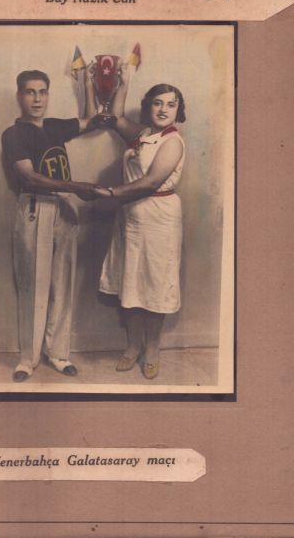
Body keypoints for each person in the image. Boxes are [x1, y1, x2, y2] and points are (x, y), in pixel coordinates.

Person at [1, 69, 97, 382]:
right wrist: (75, 186)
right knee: (34, 284)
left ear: (48, 94)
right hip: (36, 205)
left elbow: (91, 120)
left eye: (42, 92)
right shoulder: (13, 134)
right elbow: (29, 176)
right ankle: (27, 359)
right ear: (20, 96)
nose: (37, 98)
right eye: (30, 92)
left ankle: (57, 353)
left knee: (62, 282)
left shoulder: (54, 126)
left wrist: (87, 81)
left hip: (65, 206)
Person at [94, 66, 186, 380]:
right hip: (131, 217)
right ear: (148, 107)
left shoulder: (172, 142)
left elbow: (150, 182)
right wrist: (125, 82)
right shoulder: (143, 134)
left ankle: (152, 350)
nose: (163, 109)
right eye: (157, 103)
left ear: (178, 110)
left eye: (170, 104)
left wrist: (110, 193)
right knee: (130, 283)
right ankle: (133, 346)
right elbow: (116, 116)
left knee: (154, 284)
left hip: (160, 218)